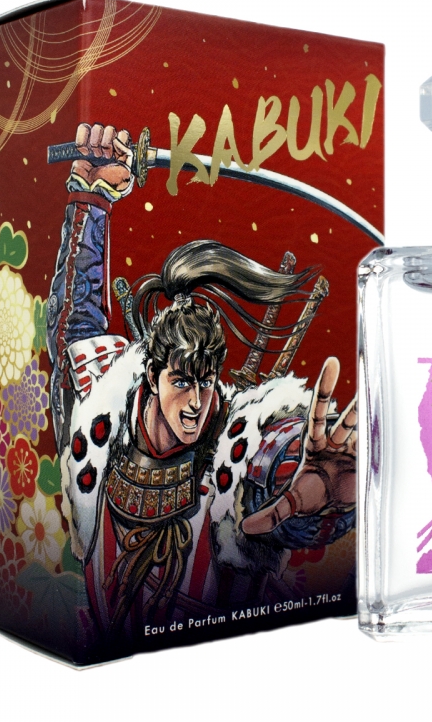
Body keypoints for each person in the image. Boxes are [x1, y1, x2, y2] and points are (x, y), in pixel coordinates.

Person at [47, 123, 356, 638]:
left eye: (206, 383)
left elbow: (269, 467)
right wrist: (92, 196)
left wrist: (318, 481)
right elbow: (75, 326)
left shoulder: (233, 446)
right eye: (182, 382)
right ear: (152, 376)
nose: (196, 402)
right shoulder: (105, 411)